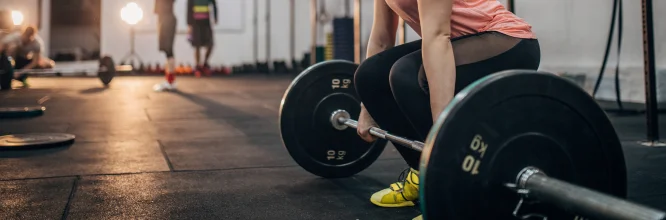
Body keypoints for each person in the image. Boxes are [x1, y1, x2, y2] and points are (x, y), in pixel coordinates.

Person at [353, 0, 540, 218]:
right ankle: (421, 174)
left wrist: (444, 131)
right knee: (370, 75)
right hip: (460, 41)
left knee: (406, 75)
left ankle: (453, 190)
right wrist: (368, 109)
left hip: (506, 41)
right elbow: (382, 40)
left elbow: (437, 38)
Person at [186, 0, 218, 76]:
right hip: (196, 23)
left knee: (210, 44)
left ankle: (205, 63)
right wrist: (189, 25)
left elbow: (214, 4)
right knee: (197, 45)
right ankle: (197, 65)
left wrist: (215, 17)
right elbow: (188, 9)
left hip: (206, 22)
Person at [153, 0, 179, 91]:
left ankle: (171, 81)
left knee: (169, 50)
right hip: (163, 20)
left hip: (167, 20)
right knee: (166, 50)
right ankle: (169, 80)